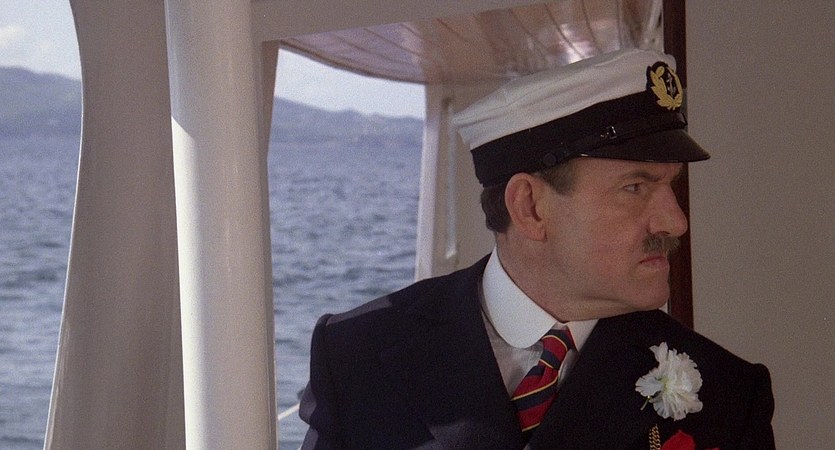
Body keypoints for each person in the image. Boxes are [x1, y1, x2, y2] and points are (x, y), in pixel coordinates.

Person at [298, 49, 775, 449]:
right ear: (529, 207)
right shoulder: (357, 355)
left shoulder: (729, 394)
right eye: (635, 187)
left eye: (671, 186)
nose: (675, 221)